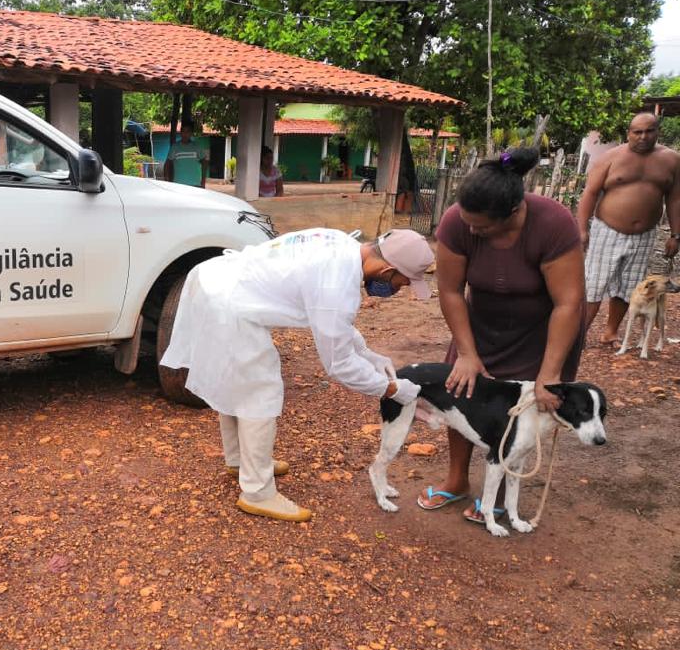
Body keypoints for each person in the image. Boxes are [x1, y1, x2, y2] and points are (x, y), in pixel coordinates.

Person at [161, 228, 434, 521]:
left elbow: (333, 323)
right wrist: (390, 389)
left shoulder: (343, 245)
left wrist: (368, 354)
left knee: (238, 380)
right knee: (259, 391)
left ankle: (241, 461)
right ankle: (257, 492)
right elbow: (338, 363)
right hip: (228, 301)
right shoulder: (337, 284)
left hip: (216, 279)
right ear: (387, 269)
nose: (400, 289)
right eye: (402, 282)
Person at [417, 148, 585, 523]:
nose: (472, 231)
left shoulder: (554, 223)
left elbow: (568, 304)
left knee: (522, 411)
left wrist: (550, 373)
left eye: (481, 227)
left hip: (543, 330)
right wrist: (466, 352)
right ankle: (457, 480)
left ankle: (499, 492)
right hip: (481, 324)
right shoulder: (455, 223)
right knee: (462, 390)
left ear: (513, 212)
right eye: (467, 223)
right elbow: (449, 291)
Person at [577, 112, 680, 345]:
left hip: (645, 234)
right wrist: (582, 229)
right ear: (629, 133)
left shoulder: (672, 160)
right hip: (608, 229)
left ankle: (610, 332)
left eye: (649, 131)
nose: (643, 137)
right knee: (594, 283)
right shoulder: (611, 158)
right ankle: (579, 333)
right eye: (637, 132)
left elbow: (674, 199)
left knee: (629, 285)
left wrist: (676, 234)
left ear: (657, 132)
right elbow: (590, 193)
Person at [164, 120, 208, 188]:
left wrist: (203, 181)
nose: (185, 134)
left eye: (188, 132)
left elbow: (204, 164)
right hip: (178, 185)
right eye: (183, 131)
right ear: (180, 133)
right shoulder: (175, 147)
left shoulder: (197, 147)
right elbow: (167, 164)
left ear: (191, 133)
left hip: (195, 184)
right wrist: (167, 181)